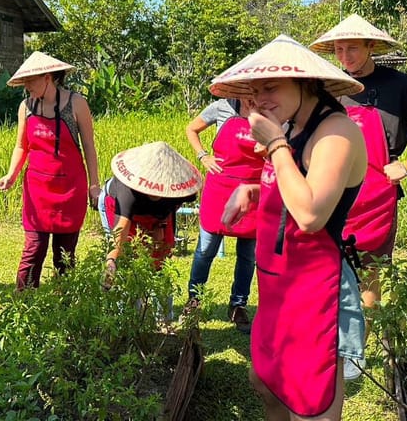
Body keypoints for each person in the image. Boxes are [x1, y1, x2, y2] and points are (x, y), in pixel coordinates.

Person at [212, 34, 367, 421]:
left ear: (304, 82)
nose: (261, 98)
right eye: (254, 90)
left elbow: (312, 214)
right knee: (265, 381)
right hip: (279, 281)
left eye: (271, 86)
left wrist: (276, 145)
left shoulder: (336, 132)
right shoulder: (293, 127)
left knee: (309, 401)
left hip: (318, 286)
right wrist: (253, 189)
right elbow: (296, 181)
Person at [309, 13, 407, 379]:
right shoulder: (326, 87)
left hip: (377, 193)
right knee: (324, 268)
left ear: (371, 47)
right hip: (330, 189)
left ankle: (359, 353)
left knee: (370, 274)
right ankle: (327, 345)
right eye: (338, 48)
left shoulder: (401, 86)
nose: (344, 55)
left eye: (352, 47)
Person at [0, 51, 100, 290]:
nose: (27, 87)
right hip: (37, 191)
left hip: (70, 189)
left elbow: (89, 148)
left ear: (48, 77)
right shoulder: (26, 106)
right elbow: (21, 146)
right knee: (33, 249)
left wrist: (93, 185)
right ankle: (24, 308)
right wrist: (11, 175)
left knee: (64, 256)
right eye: (25, 82)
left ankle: (62, 311)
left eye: (31, 81)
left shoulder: (76, 103)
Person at [185, 96, 263, 333]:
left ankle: (238, 305)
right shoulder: (223, 106)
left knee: (247, 256)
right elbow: (192, 128)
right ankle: (194, 301)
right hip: (220, 190)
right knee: (205, 251)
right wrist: (203, 156)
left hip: (252, 191)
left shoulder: (269, 107)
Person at [98, 142, 201, 303]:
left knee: (161, 257)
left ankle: (163, 318)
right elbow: (120, 233)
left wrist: (160, 224)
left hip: (156, 216)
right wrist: (111, 262)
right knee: (128, 259)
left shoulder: (182, 190)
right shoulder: (127, 192)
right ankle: (129, 313)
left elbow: (173, 207)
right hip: (116, 206)